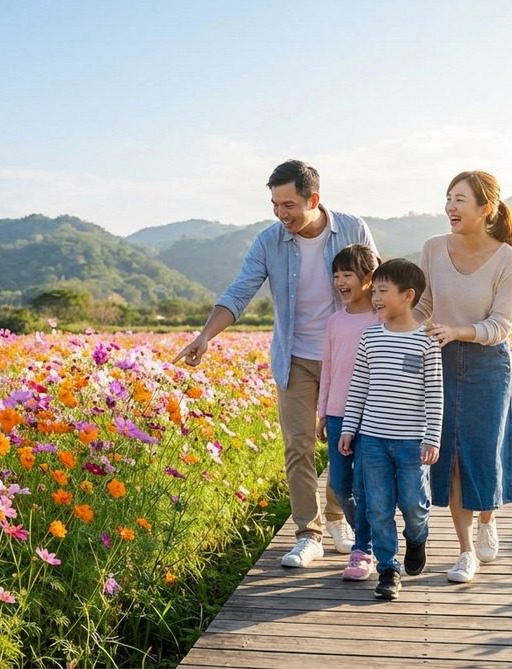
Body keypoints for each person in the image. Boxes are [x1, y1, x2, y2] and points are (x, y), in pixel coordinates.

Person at [174, 159, 379, 568]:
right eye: (275, 204)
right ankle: (308, 533)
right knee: (298, 447)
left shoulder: (353, 230)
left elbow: (378, 284)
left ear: (313, 199)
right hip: (295, 358)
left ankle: (340, 517)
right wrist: (204, 336)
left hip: (349, 359)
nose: (281, 213)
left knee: (348, 444)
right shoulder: (269, 242)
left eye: (289, 204)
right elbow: (239, 290)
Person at [414, 170, 512, 584]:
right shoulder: (432, 248)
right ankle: (464, 553)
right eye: (447, 198)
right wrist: (398, 322)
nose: (450, 207)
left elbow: (501, 324)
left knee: (484, 450)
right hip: (440, 359)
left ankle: (487, 518)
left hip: (487, 364)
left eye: (460, 199)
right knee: (453, 455)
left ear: (485, 209)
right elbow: (424, 304)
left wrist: (458, 330)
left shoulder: (507, 259)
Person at [339, 258, 442, 600]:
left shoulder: (426, 341)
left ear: (408, 295)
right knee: (378, 508)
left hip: (412, 441)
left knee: (413, 506)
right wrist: (349, 429)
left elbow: (434, 394)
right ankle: (388, 569)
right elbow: (359, 389)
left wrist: (432, 437)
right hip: (372, 441)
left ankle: (417, 537)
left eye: (383, 290)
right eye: (375, 291)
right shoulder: (370, 338)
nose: (376, 297)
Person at [315, 244, 380, 581]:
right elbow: (328, 369)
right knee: (340, 485)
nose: (340, 281)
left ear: (368, 278)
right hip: (339, 412)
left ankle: (364, 549)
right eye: (336, 275)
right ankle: (373, 535)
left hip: (374, 415)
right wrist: (323, 412)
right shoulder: (335, 321)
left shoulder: (383, 319)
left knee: (366, 484)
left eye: (347, 275)